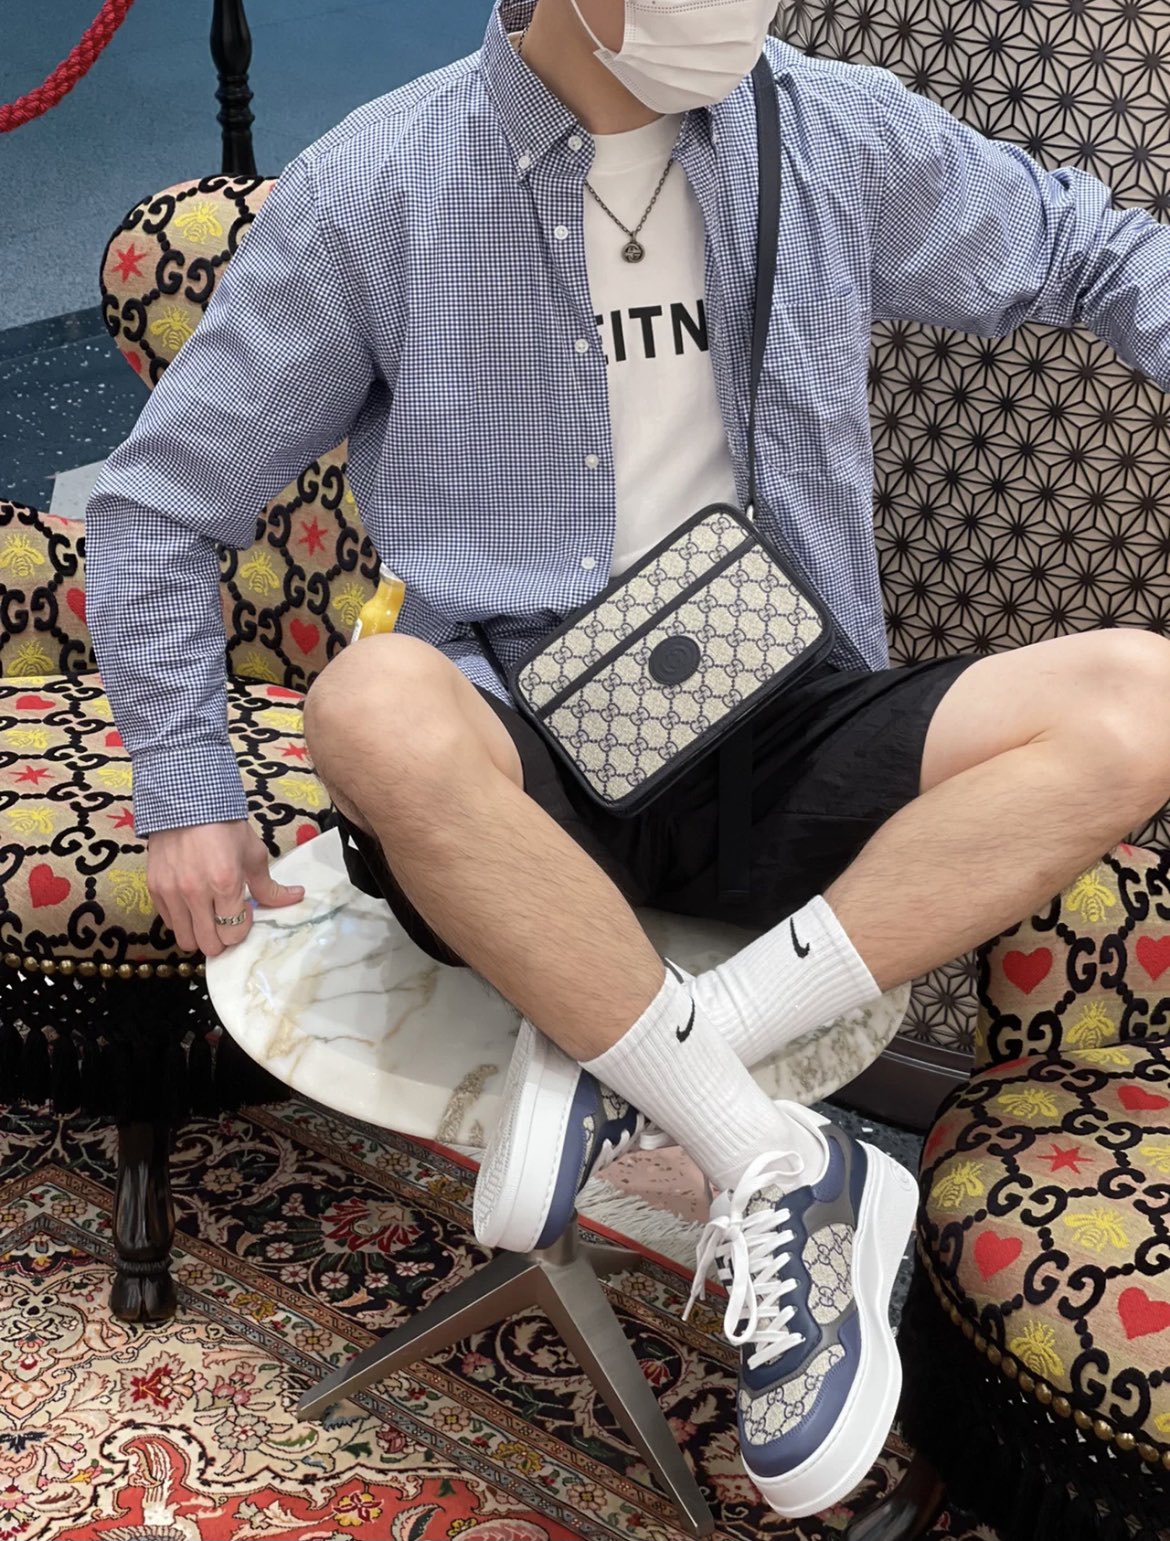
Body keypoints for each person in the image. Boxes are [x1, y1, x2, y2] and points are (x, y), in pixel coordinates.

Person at [83, 0, 1170, 1518]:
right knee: (372, 701)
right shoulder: (380, 187)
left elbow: (1088, 251)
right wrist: (187, 787)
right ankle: (771, 1154)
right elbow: (158, 505)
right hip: (519, 767)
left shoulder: (830, 127)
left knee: (1138, 700)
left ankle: (665, 1057)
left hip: (781, 718)